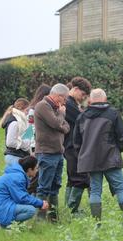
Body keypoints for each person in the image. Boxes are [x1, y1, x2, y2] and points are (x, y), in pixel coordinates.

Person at [73, 88, 123, 222]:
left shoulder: (82, 116)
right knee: (120, 189)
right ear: (105, 99)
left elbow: (76, 142)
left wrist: (84, 155)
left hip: (90, 159)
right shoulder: (113, 114)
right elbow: (122, 137)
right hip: (111, 158)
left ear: (90, 100)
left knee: (95, 191)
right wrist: (116, 151)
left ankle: (96, 221)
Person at [0, 156, 49, 228]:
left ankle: (0, 225)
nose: (37, 171)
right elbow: (22, 198)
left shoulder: (16, 174)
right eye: (36, 168)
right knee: (31, 210)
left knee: (29, 205)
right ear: (30, 169)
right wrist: (40, 203)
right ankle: (5, 227)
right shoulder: (18, 177)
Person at [34, 83, 70, 221]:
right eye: (64, 99)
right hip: (47, 153)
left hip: (58, 153)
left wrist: (60, 121)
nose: (65, 102)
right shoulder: (43, 106)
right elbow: (57, 124)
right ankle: (40, 218)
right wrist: (61, 114)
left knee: (55, 186)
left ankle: (53, 218)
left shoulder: (54, 108)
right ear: (57, 96)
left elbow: (66, 127)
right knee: (44, 187)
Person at [63, 77, 91, 214]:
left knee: (72, 178)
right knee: (79, 178)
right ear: (75, 89)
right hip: (71, 147)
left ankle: (68, 208)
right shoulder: (69, 104)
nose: (83, 98)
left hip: (70, 146)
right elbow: (83, 121)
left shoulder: (71, 103)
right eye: (83, 95)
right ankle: (72, 211)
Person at [26, 84, 51, 195]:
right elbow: (29, 131)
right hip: (35, 146)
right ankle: (28, 195)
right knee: (36, 175)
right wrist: (32, 149)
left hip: (39, 145)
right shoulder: (33, 111)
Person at [0, 98, 31, 166]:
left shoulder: (19, 121)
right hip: (15, 156)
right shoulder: (14, 122)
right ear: (20, 109)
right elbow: (10, 142)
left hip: (17, 156)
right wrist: (25, 144)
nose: (27, 113)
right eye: (26, 110)